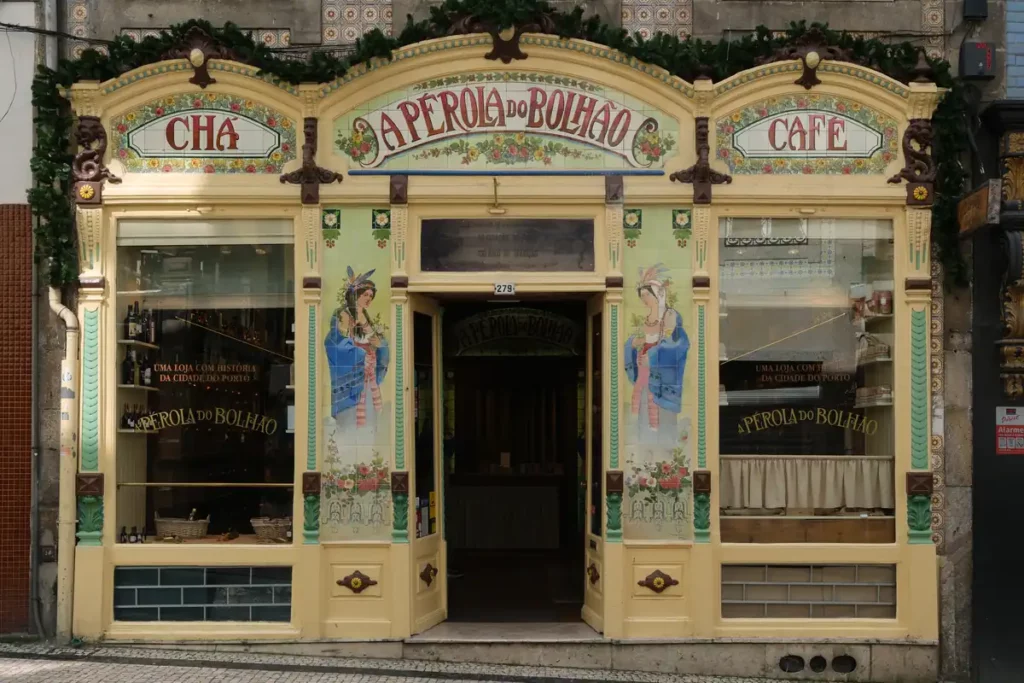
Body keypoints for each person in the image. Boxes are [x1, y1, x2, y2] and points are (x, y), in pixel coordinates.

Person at [624, 264, 689, 445]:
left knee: (662, 421)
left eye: (647, 295)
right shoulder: (644, 320)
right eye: (642, 296)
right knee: (643, 415)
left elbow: (680, 345)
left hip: (661, 381)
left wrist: (652, 356)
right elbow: (632, 342)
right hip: (644, 377)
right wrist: (632, 344)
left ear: (657, 294)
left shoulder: (669, 316)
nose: (644, 299)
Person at [325, 267, 389, 433]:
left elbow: (379, 344)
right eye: (365, 295)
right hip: (352, 383)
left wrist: (378, 345)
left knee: (369, 425)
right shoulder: (343, 315)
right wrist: (364, 352)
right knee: (350, 427)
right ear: (356, 295)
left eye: (371, 296)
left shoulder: (366, 318)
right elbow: (335, 344)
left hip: (368, 380)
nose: (369, 299)